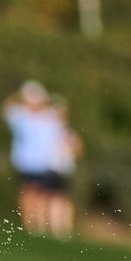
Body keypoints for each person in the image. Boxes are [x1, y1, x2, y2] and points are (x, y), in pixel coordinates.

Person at [2, 80, 65, 235]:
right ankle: (29, 224)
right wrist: (18, 95)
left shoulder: (49, 117)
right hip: (25, 162)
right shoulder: (21, 115)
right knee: (29, 192)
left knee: (41, 194)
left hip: (44, 163)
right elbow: (5, 108)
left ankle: (39, 225)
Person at [46, 94, 82, 239]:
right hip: (52, 168)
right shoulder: (49, 131)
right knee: (52, 197)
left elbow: (78, 150)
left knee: (62, 198)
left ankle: (62, 228)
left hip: (65, 169)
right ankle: (52, 226)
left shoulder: (68, 133)